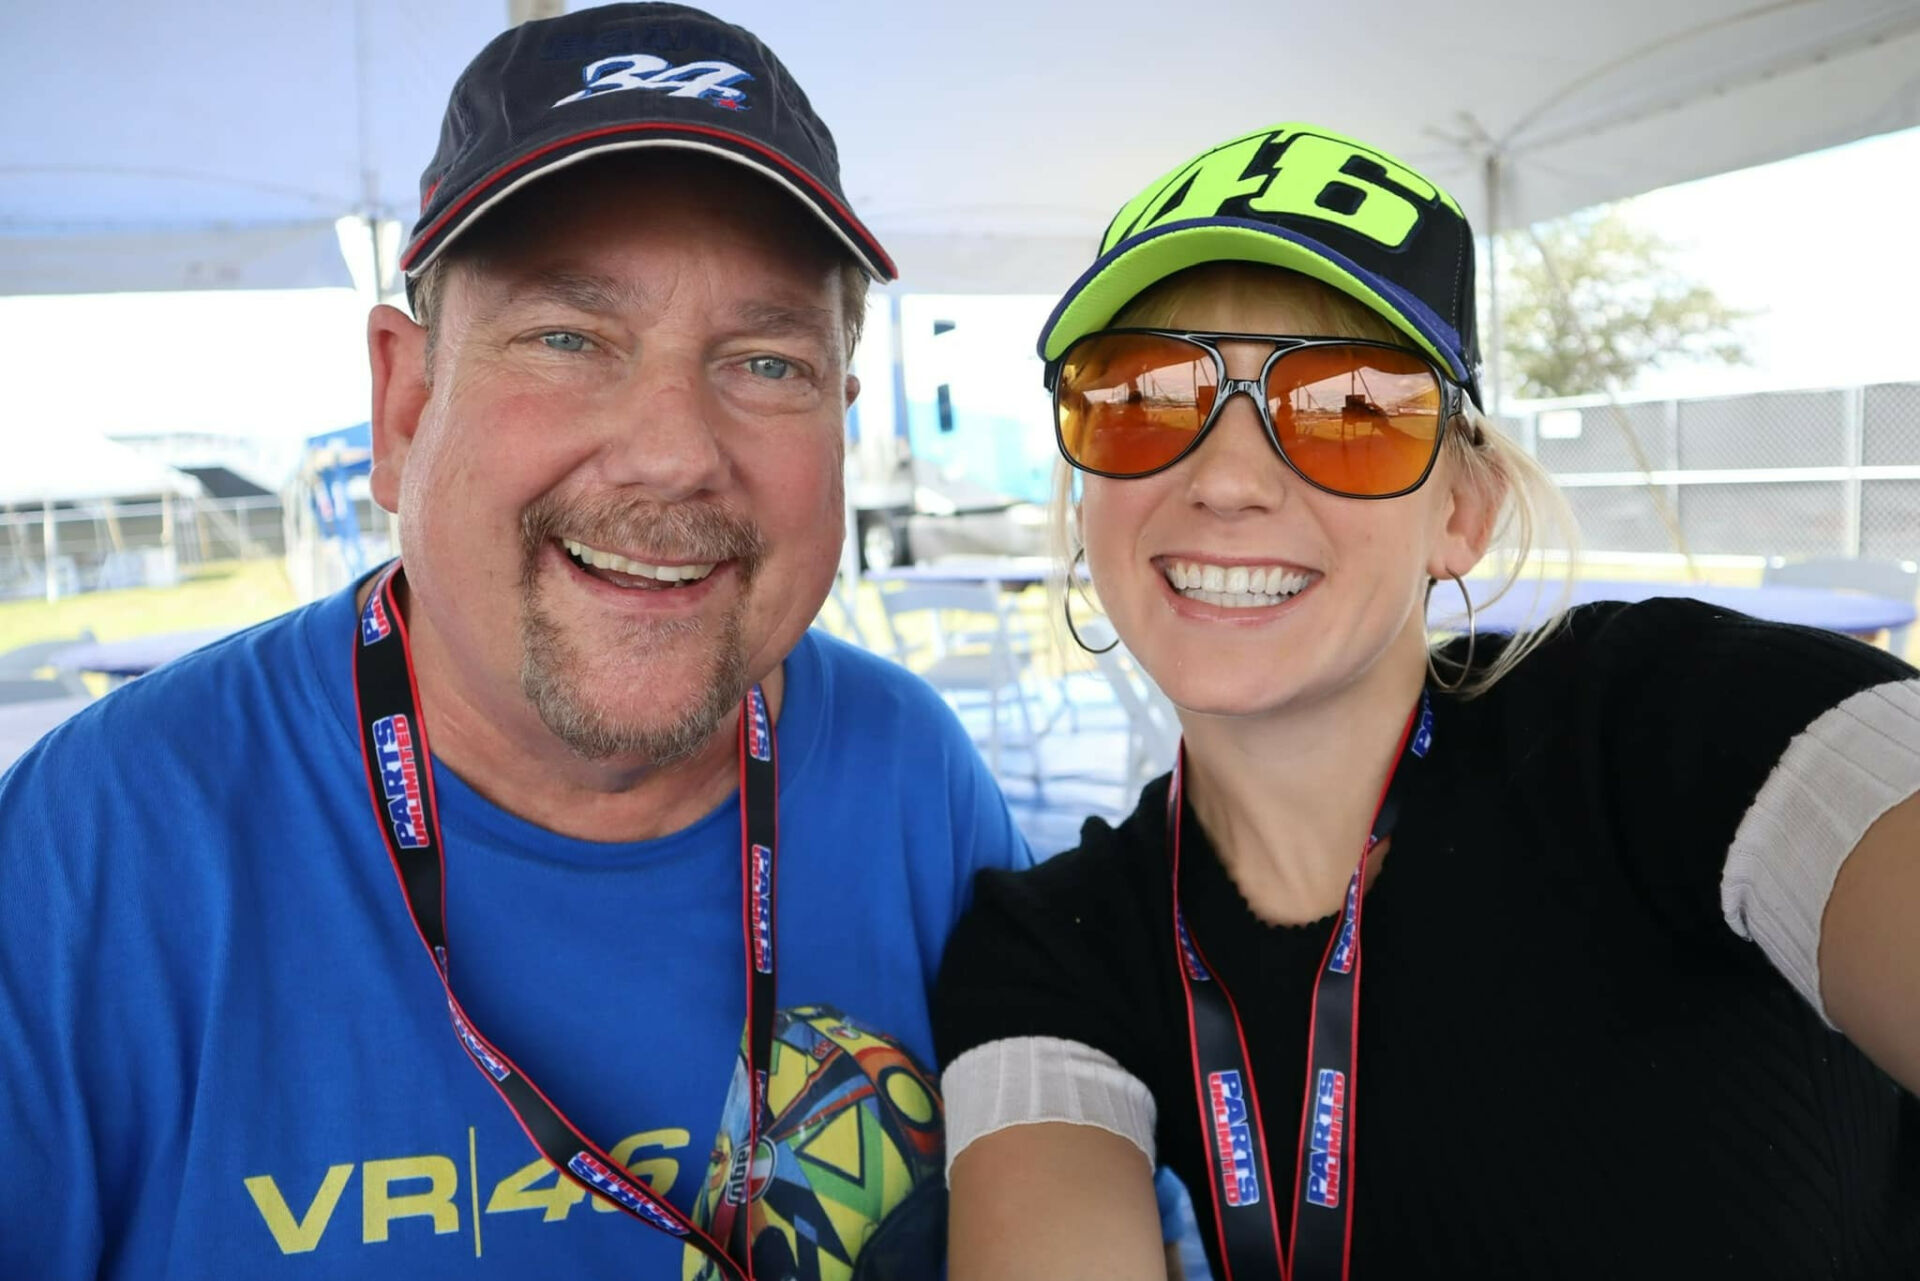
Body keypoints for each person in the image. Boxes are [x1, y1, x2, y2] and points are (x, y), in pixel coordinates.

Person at [0, 6, 1029, 1278]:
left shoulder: (907, 774)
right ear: (405, 403)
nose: (672, 449)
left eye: (766, 364)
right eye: (567, 339)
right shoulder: (106, 837)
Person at [934, 121, 1920, 1280]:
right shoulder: (1056, 945)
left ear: (1463, 510)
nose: (1228, 479)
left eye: (1349, 409)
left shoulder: (1682, 721)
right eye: (1145, 396)